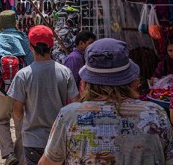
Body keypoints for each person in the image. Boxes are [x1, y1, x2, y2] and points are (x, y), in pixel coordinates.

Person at [40, 38, 173, 165]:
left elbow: (48, 162)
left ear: (86, 83)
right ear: (132, 80)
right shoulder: (155, 114)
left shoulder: (69, 116)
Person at [8, 25, 79, 165]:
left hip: (33, 140)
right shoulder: (65, 72)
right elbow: (76, 105)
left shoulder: (23, 75)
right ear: (52, 46)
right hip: (60, 139)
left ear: (30, 47)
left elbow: (17, 112)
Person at [0, 10, 33, 165]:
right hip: (22, 88)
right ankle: (21, 157)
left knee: (1, 121)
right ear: (15, 22)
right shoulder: (23, 38)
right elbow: (31, 62)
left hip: (0, 88)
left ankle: (9, 153)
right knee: (20, 121)